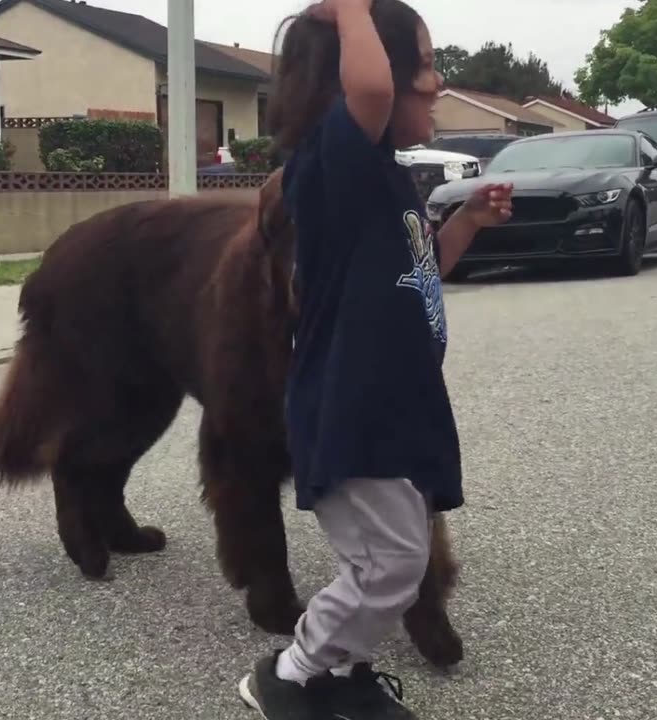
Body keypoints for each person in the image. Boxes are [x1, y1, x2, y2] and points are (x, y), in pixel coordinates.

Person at [236, 0, 514, 718]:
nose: (437, 80)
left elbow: (422, 273)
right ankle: (293, 675)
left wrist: (467, 223)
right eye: (422, 64)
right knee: (393, 566)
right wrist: (355, 7)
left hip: (397, 409)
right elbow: (369, 92)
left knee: (377, 562)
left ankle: (345, 676)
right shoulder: (332, 167)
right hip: (350, 410)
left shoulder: (388, 179)